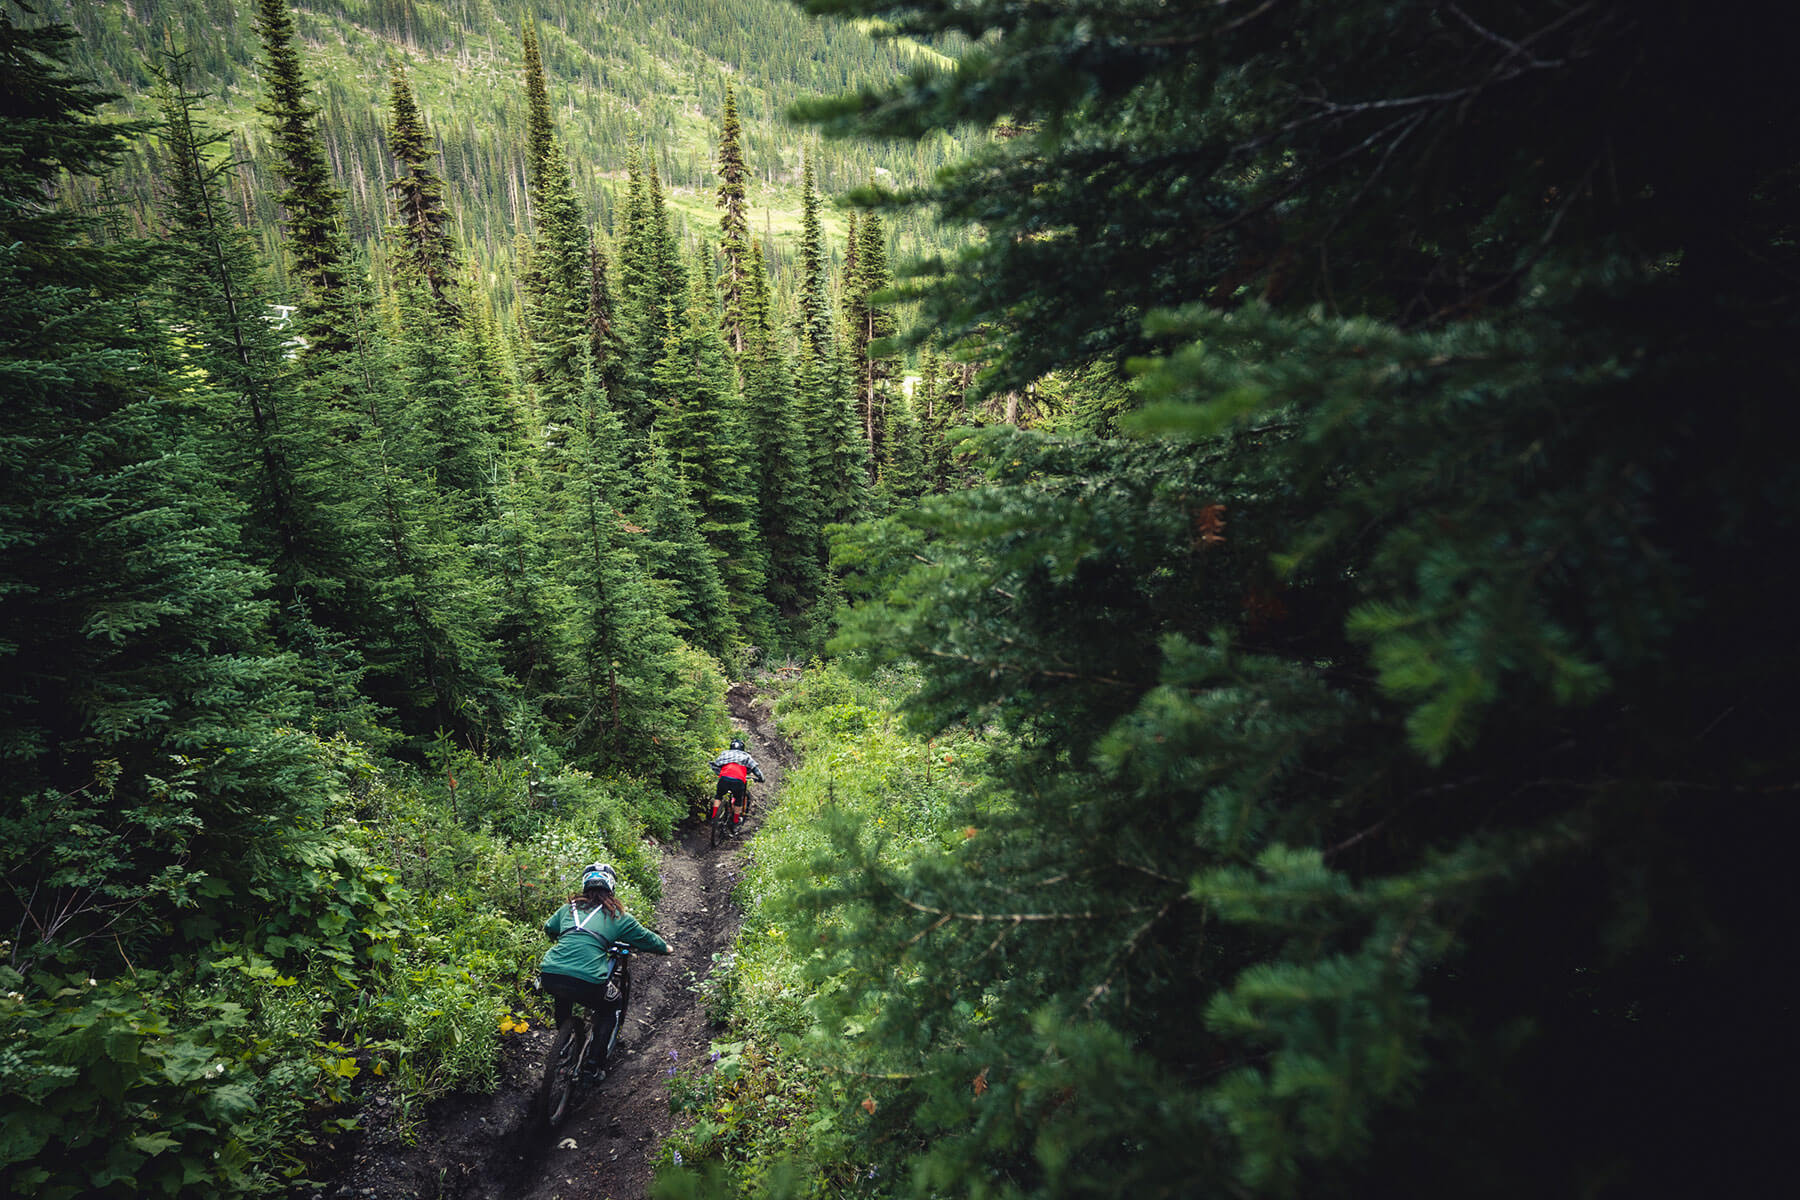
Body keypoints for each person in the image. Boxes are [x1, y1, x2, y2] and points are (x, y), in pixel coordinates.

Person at [538, 863, 671, 1081]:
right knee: (611, 1006)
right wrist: (665, 948)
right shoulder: (617, 915)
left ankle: (563, 1041)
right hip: (588, 982)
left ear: (585, 885)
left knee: (562, 992)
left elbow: (549, 928)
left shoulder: (568, 909)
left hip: (550, 973)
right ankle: (592, 1067)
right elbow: (646, 938)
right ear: (611, 887)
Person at [708, 736, 764, 836]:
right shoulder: (746, 756)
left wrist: (720, 773)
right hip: (738, 780)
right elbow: (756, 770)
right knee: (738, 800)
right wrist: (761, 778)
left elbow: (715, 765)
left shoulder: (725, 753)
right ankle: (735, 822)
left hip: (724, 778)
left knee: (718, 796)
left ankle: (714, 817)